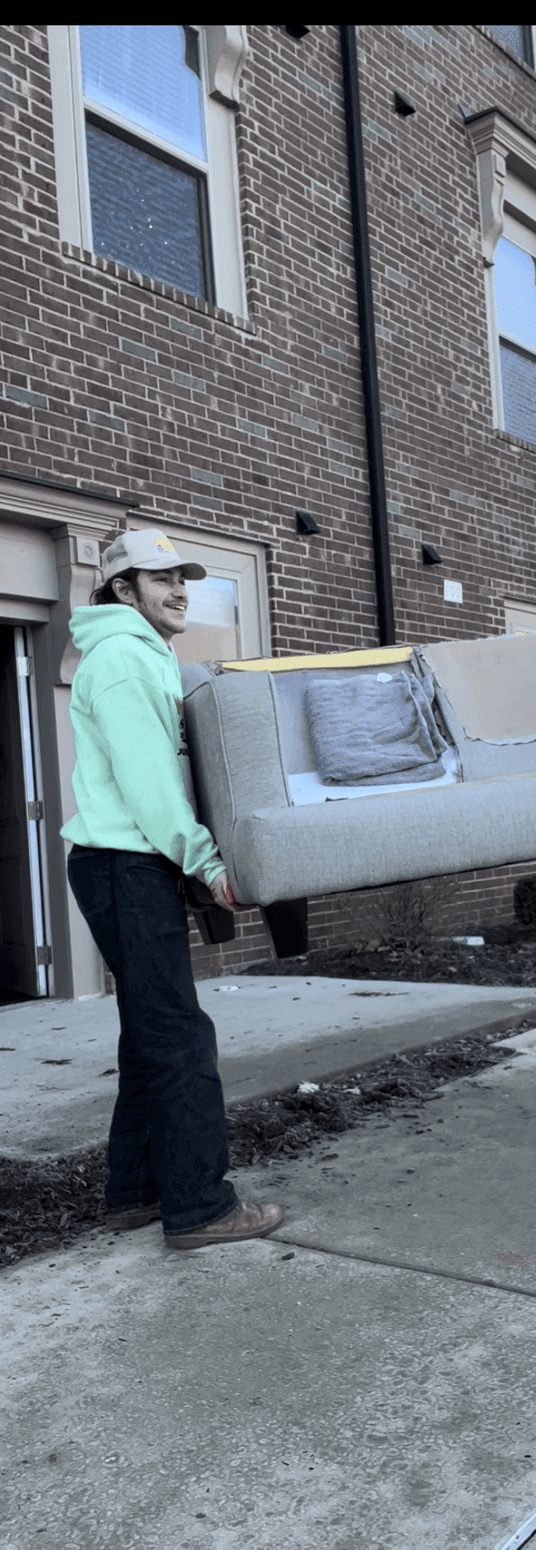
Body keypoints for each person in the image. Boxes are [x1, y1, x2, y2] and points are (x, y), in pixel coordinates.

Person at [63, 528, 283, 1249]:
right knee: (180, 1039)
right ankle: (199, 1208)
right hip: (128, 865)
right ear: (122, 591)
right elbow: (151, 786)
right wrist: (206, 862)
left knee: (151, 1035)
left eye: (182, 577)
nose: (179, 588)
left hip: (125, 865)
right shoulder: (125, 660)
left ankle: (136, 1194)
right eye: (160, 579)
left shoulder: (142, 655)